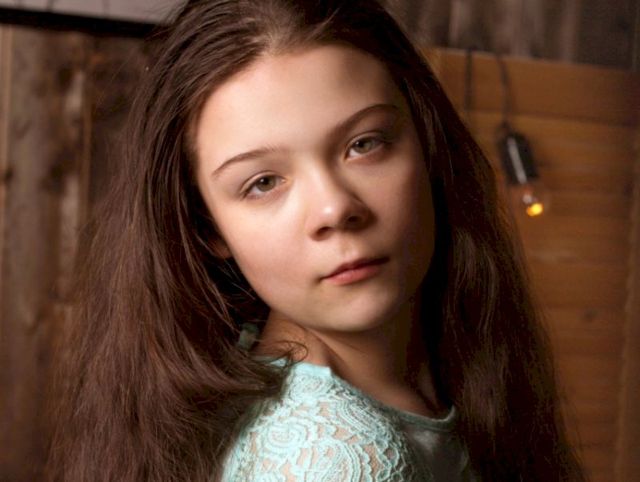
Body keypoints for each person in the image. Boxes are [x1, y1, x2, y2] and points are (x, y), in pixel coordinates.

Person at [47, 0, 585, 481]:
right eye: (263, 183)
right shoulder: (338, 460)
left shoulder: (442, 373)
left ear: (428, 145)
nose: (334, 209)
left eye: (364, 144)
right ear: (207, 228)